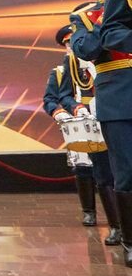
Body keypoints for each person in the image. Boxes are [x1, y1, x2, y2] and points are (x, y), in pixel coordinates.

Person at [71, 0, 132, 267]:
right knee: (127, 172)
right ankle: (130, 240)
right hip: (120, 98)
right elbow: (91, 49)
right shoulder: (83, 16)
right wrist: (111, 14)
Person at [46, 25, 117, 239]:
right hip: (86, 122)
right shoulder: (69, 65)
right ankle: (112, 224)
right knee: (95, 172)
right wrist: (74, 109)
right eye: (68, 42)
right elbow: (59, 97)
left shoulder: (114, 53)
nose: (71, 45)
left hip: (116, 115)